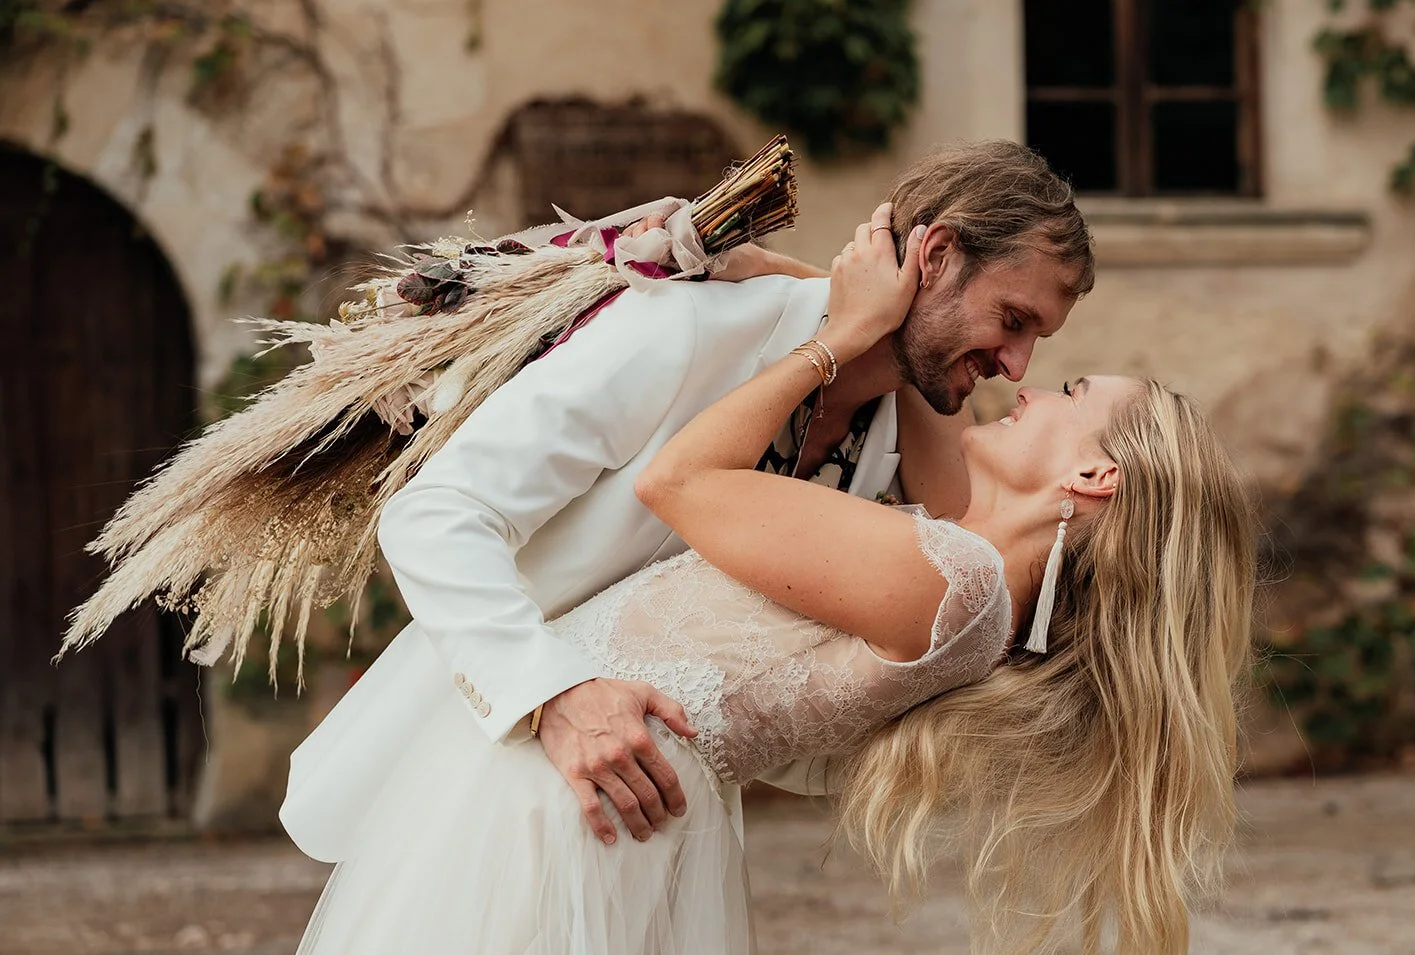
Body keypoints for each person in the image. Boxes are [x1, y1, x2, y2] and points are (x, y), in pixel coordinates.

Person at [228, 213, 1258, 955]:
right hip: (599, 796)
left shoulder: (954, 580)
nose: (1026, 379)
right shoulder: (965, 568)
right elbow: (929, 385)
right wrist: (828, 292)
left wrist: (831, 340)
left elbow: (680, 480)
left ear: (1094, 475)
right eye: (1019, 326)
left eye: (1069, 393)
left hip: (587, 804)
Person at [278, 140, 1096, 860]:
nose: (1019, 366)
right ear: (936, 254)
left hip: (649, 830)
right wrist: (551, 694)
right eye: (1013, 319)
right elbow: (437, 513)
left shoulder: (891, 440)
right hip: (480, 772)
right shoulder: (687, 327)